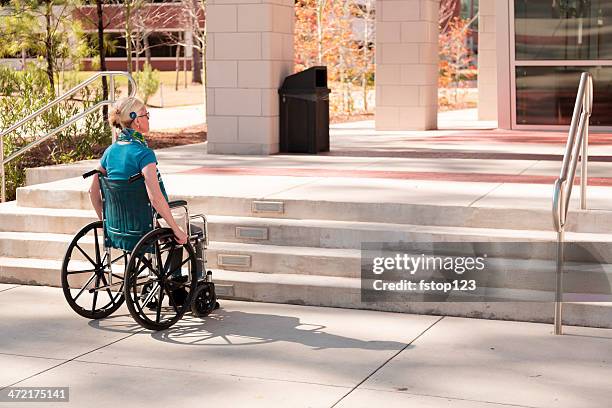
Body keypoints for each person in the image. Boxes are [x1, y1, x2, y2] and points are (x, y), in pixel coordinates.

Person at [88, 96, 204, 282]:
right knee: (193, 232)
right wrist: (176, 229)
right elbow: (155, 198)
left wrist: (105, 222)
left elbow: (92, 191)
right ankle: (181, 285)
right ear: (137, 120)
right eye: (146, 114)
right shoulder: (143, 154)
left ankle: (160, 282)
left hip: (119, 227)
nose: (148, 118)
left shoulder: (110, 152)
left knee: (169, 231)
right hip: (144, 226)